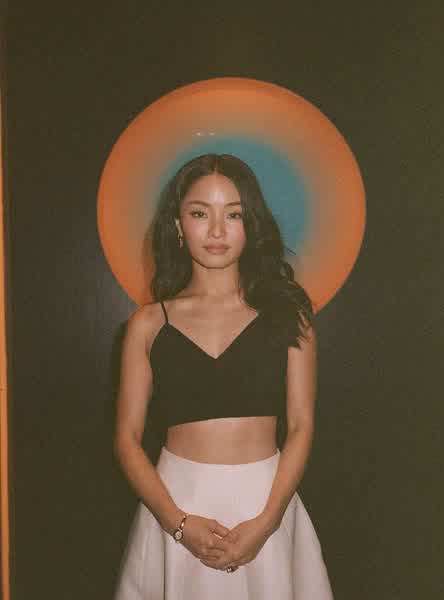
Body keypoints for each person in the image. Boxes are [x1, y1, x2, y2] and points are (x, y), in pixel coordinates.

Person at [113, 153, 334, 599]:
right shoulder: (147, 326)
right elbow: (126, 438)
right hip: (175, 504)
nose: (216, 230)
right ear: (177, 225)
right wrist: (178, 524)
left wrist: (268, 521)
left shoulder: (288, 315)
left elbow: (302, 425)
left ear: (251, 224)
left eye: (233, 214)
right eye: (200, 213)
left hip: (266, 503)